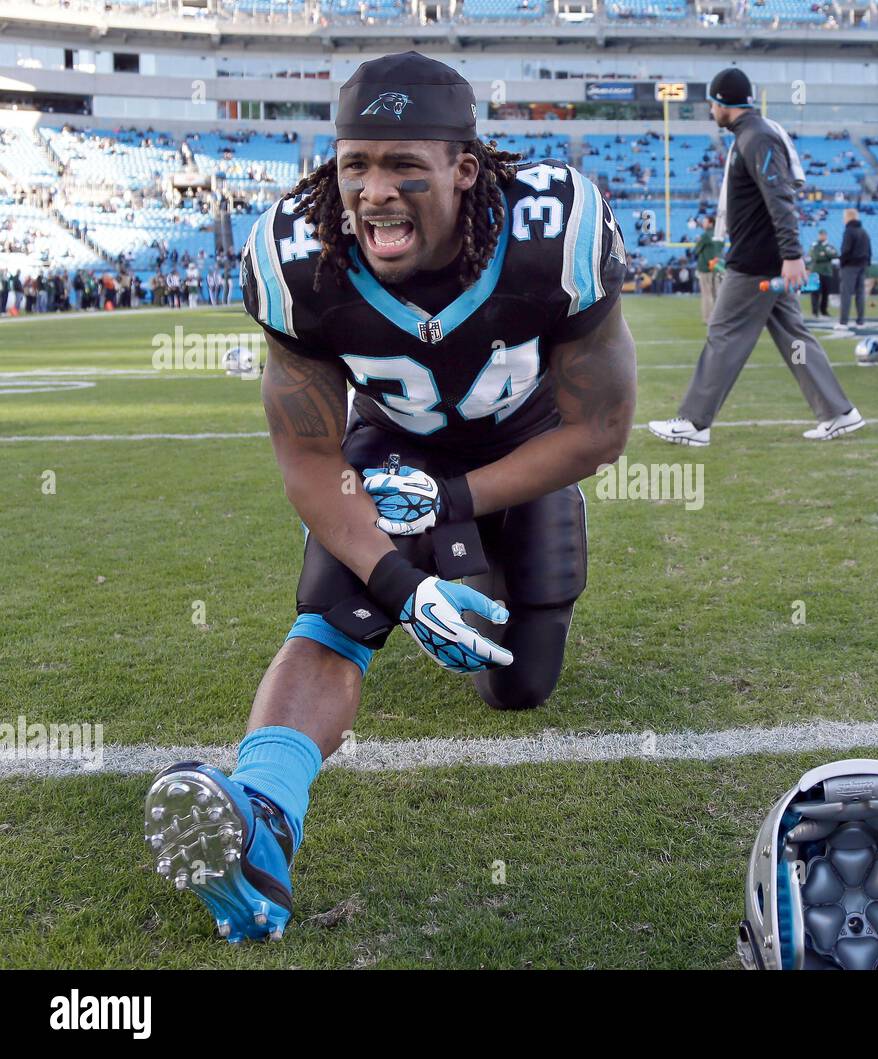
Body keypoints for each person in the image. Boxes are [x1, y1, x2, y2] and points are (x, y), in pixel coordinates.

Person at [145, 53, 636, 943]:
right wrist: (400, 586)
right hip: (391, 451)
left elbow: (599, 429)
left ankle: (490, 552)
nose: (373, 192)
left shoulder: (552, 230)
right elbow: (306, 455)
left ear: (464, 167)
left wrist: (451, 501)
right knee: (334, 614)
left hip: (528, 446)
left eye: (404, 164)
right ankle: (262, 821)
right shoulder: (297, 255)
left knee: (520, 686)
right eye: (356, 165)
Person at [648, 67, 862, 446]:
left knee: (723, 335)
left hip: (756, 261)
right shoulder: (750, 134)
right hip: (765, 256)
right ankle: (838, 412)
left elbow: (780, 196)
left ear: (721, 102)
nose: (710, 111)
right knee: (793, 337)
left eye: (711, 103)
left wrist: (793, 254)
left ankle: (694, 422)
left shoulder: (757, 137)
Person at [835, 206, 869, 329]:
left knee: (846, 294)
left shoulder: (849, 231)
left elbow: (845, 250)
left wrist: (842, 262)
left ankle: (843, 322)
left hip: (850, 266)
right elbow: (868, 251)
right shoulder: (863, 231)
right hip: (862, 266)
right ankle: (860, 321)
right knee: (860, 294)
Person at [692, 215, 724, 323]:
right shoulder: (719, 235)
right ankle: (719, 317)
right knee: (717, 294)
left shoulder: (705, 235)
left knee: (707, 294)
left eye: (705, 222)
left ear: (711, 223)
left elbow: (696, 250)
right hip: (717, 267)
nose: (703, 223)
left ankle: (708, 318)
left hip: (705, 268)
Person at [808, 229, 835, 317]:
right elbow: (815, 256)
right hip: (815, 271)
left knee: (825, 293)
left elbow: (835, 254)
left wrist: (824, 254)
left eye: (823, 234)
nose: (822, 236)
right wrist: (825, 255)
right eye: (821, 235)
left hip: (826, 271)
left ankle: (824, 311)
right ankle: (814, 311)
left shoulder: (829, 246)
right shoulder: (814, 245)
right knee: (815, 292)